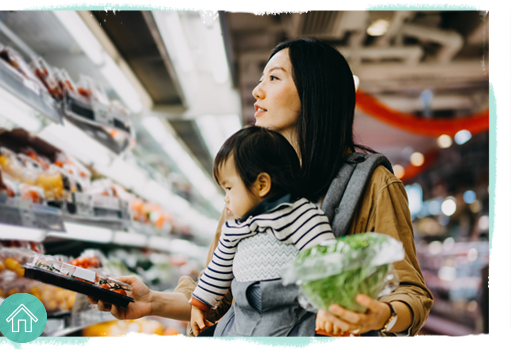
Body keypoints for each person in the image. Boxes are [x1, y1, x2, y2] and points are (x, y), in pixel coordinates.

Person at [88, 37, 433, 337]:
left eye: (274, 77)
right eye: (260, 78)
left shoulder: (373, 184)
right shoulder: (249, 182)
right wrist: (152, 302)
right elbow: (222, 297)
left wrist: (380, 315)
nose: (257, 90)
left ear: (314, 92)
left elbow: (409, 293)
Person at [189, 126, 335, 336]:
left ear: (262, 184)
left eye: (229, 188)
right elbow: (217, 269)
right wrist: (199, 305)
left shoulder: (299, 215)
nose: (226, 198)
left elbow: (327, 261)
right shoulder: (234, 228)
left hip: (294, 315)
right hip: (244, 316)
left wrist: (329, 306)